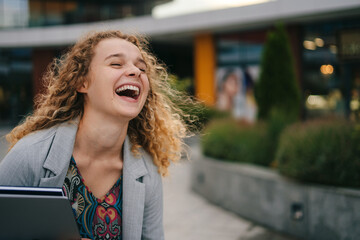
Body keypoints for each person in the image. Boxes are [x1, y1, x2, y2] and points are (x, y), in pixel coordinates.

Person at [0, 30, 191, 240]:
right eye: (116, 64)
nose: (135, 71)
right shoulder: (29, 155)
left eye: (141, 68)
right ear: (82, 82)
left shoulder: (147, 171)